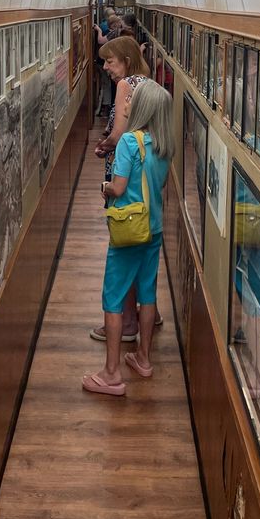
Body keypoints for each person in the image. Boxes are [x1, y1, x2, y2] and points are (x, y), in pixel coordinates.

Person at [82, 80, 174, 396]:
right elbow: (159, 184)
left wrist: (104, 187)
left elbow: (118, 188)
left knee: (114, 297)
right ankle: (143, 358)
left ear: (142, 107)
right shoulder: (164, 144)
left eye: (133, 98)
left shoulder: (129, 143)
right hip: (154, 228)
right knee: (147, 294)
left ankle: (111, 373)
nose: (128, 101)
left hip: (129, 230)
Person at [91, 35, 150, 342]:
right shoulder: (147, 82)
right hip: (143, 175)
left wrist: (104, 146)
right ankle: (146, 314)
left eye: (110, 61)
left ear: (126, 61)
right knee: (141, 247)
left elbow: (119, 132)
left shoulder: (126, 84)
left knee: (123, 242)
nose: (105, 67)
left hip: (123, 171)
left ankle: (125, 323)